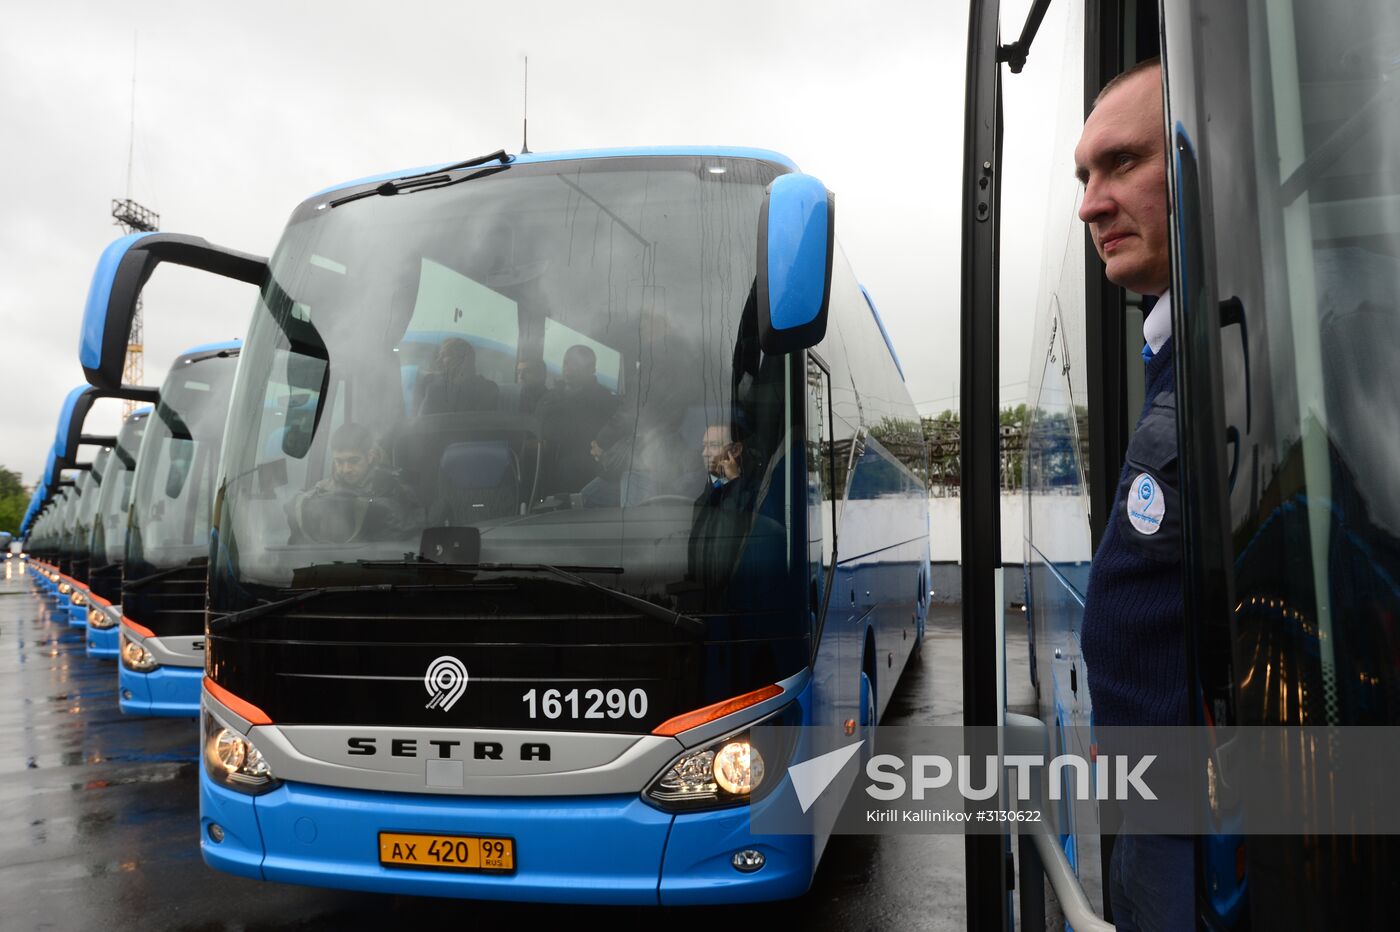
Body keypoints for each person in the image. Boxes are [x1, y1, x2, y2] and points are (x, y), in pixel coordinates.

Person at [1074, 58, 1192, 932]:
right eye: (1085, 175)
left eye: (1121, 164)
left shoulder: (1225, 355)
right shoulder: (1174, 352)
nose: (1089, 203)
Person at [288, 422, 420, 543]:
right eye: (339, 461)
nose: (346, 469)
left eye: (353, 461)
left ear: (370, 456)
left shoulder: (396, 493)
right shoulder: (319, 493)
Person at [536, 344, 618, 496]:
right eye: (566, 362)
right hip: (544, 479)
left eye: (576, 363)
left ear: (591, 368)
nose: (568, 367)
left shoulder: (605, 402)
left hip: (585, 482)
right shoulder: (549, 398)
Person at [414, 338, 499, 415]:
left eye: (445, 355)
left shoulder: (487, 390)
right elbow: (422, 425)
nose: (438, 361)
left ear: (463, 360)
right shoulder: (432, 384)